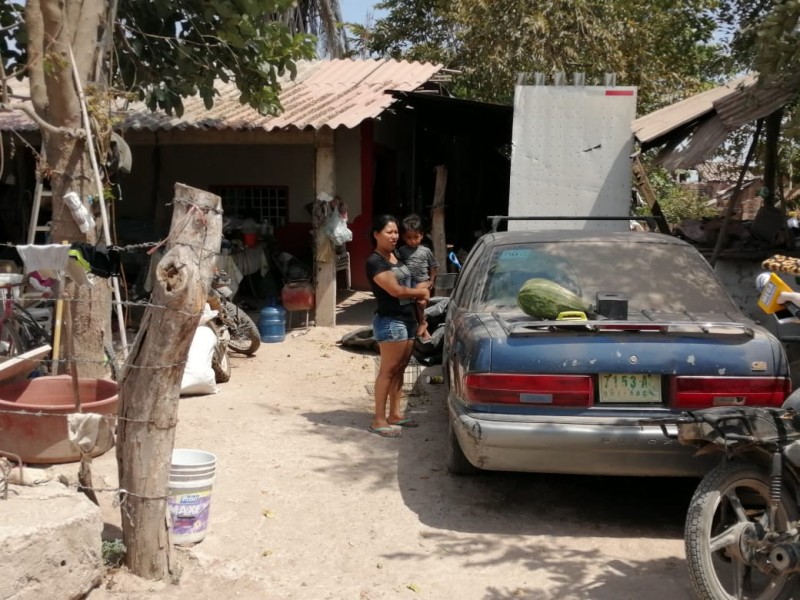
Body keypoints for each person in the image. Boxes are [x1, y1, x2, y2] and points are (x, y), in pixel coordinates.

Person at [366, 214, 430, 438]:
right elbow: (395, 290)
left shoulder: (397, 256)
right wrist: (422, 292)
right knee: (388, 371)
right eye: (388, 232)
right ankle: (378, 419)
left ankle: (395, 414)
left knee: (401, 368)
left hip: (408, 319)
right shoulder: (375, 261)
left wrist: (421, 315)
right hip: (391, 321)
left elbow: (413, 280)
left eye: (395, 232)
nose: (394, 236)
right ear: (376, 234)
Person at [397, 214, 439, 341]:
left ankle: (422, 324)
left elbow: (433, 266)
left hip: (423, 282)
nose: (413, 241)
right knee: (411, 307)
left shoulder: (425, 251)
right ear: (403, 237)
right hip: (408, 284)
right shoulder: (402, 251)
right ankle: (423, 331)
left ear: (421, 235)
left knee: (421, 303)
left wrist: (432, 280)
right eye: (409, 237)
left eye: (416, 237)